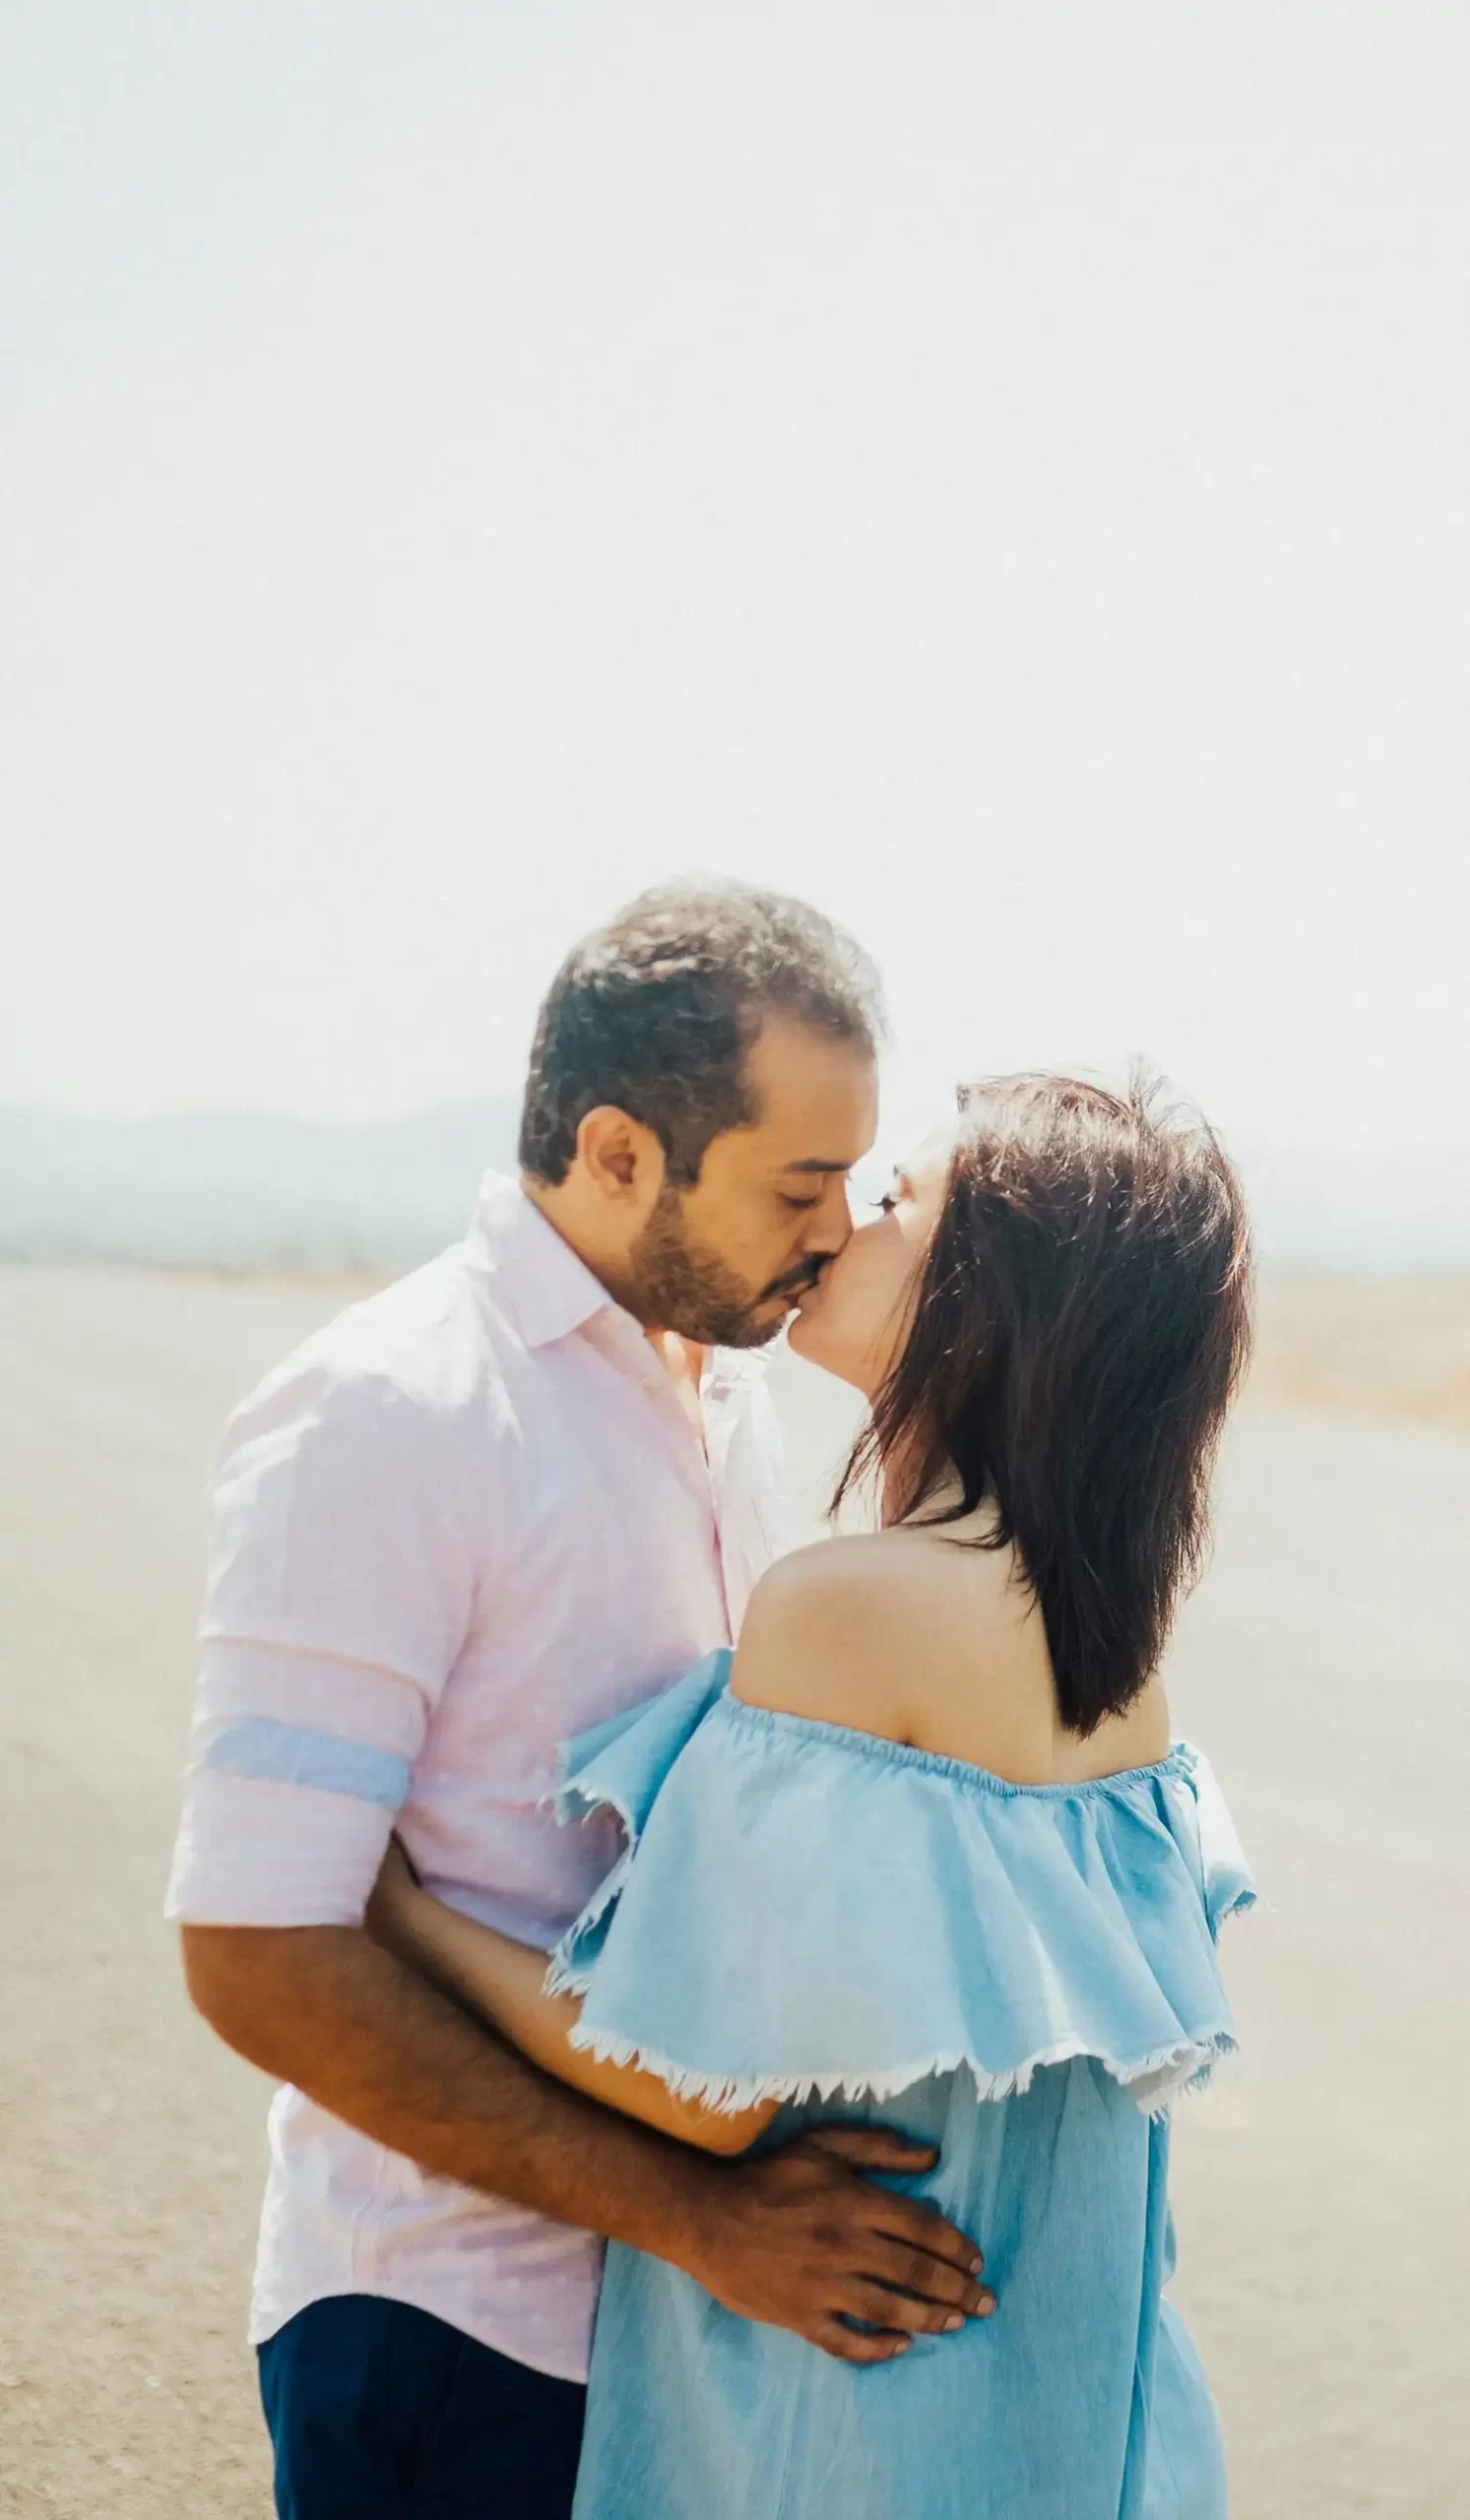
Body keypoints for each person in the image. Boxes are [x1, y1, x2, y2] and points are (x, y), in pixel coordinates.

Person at [167, 882, 990, 2520]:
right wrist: (700, 2217)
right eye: (798, 1184)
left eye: (851, 1178)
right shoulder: (391, 1412)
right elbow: (259, 1955)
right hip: (445, 2334)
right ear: (618, 1153)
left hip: (690, 2346)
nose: (837, 1228)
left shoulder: (734, 1388)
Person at [367, 1071, 1257, 2519]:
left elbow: (697, 2086)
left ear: (995, 1298)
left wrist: (403, 1917)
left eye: (898, 1199)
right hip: (1071, 2421)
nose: (842, 1223)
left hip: (854, 2427)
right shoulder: (1114, 1661)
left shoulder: (856, 1607)